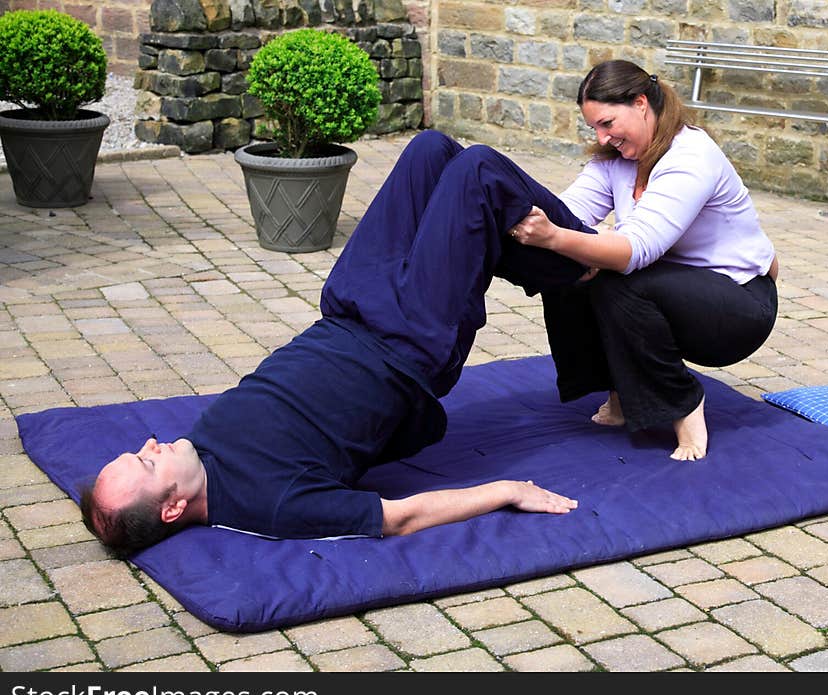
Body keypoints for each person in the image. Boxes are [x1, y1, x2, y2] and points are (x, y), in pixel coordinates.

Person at [81, 129, 597, 556]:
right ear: (172, 508)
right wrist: (508, 490)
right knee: (476, 169)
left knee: (431, 151)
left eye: (138, 450)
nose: (150, 443)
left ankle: (555, 266)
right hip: (409, 342)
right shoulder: (276, 503)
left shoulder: (199, 452)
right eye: (147, 462)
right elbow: (399, 518)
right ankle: (595, 258)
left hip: (347, 307)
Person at [509, 59, 779, 461]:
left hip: (738, 306)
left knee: (614, 274)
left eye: (607, 123)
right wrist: (532, 225)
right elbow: (570, 212)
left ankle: (683, 405)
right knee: (571, 266)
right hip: (674, 288)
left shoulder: (690, 156)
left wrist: (554, 236)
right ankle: (618, 392)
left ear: (639, 103)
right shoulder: (614, 161)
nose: (602, 138)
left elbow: (635, 251)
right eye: (594, 129)